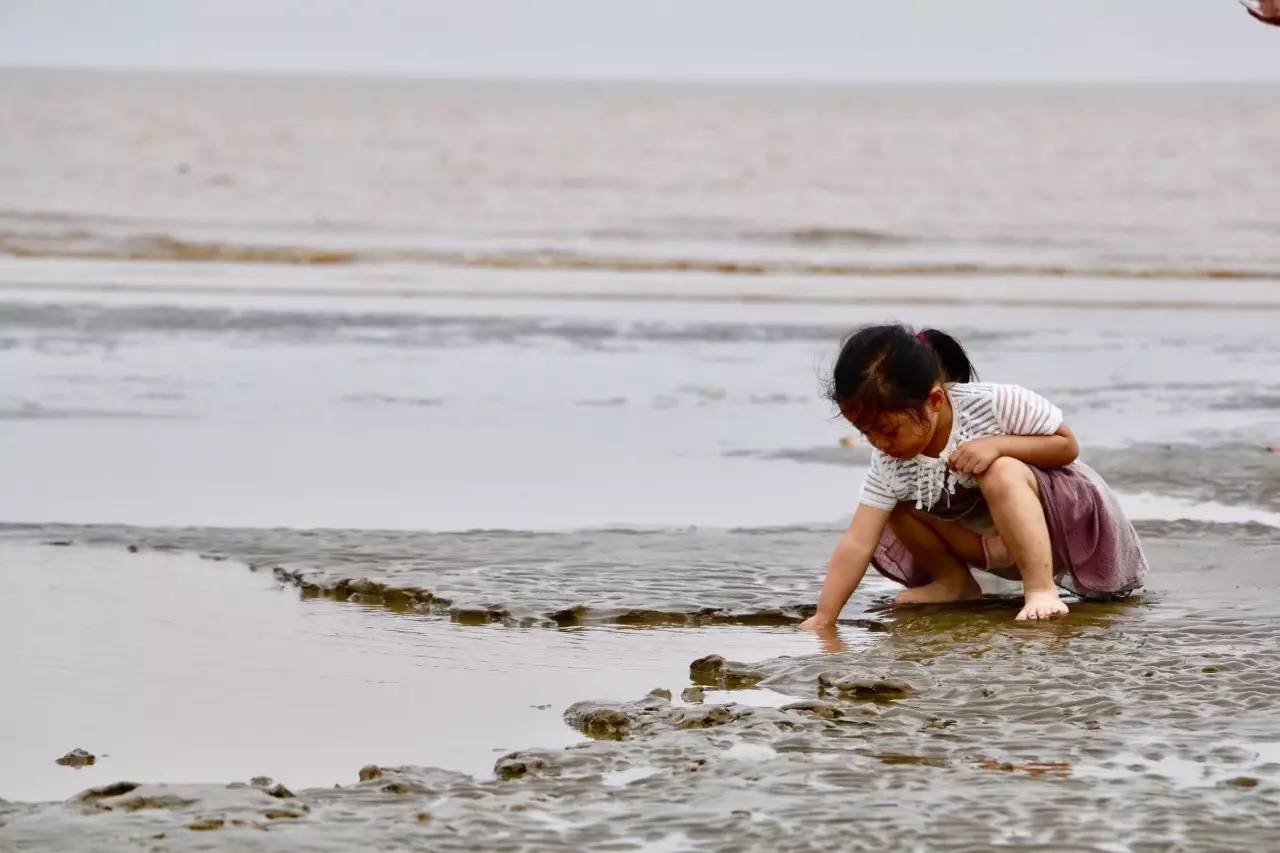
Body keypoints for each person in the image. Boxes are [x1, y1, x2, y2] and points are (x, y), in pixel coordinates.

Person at [798, 324, 1147, 628]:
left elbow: (1066, 446)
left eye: (888, 431)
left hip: (1060, 533)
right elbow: (858, 541)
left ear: (934, 400)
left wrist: (997, 445)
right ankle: (953, 583)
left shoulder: (995, 404)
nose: (878, 443)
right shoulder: (889, 463)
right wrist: (825, 618)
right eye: (865, 432)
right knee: (895, 503)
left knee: (1002, 470)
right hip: (989, 545)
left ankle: (1040, 590)